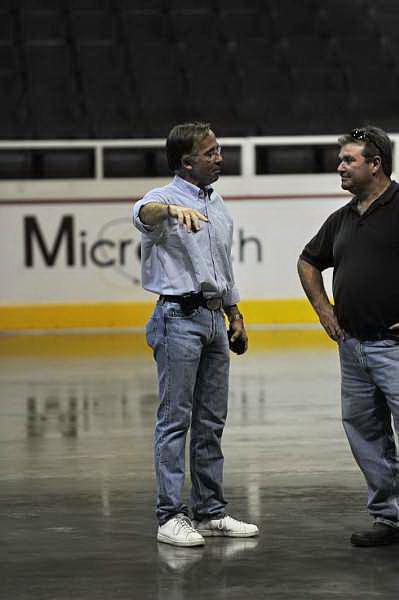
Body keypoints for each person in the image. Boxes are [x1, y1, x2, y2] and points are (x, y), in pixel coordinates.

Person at [133, 121, 259, 547]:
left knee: (210, 421)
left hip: (211, 321)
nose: (219, 158)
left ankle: (209, 511)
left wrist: (234, 313)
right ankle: (170, 516)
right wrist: (170, 211)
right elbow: (141, 214)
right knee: (175, 420)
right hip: (177, 320)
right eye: (211, 153)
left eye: (218, 150)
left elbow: (222, 267)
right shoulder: (163, 199)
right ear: (187, 164)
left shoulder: (217, 204)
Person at [298, 125, 399, 547]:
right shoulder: (341, 219)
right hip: (353, 348)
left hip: (395, 348)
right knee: (366, 433)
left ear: (375, 165)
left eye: (348, 160)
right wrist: (325, 312)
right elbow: (307, 262)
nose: (339, 167)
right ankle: (391, 517)